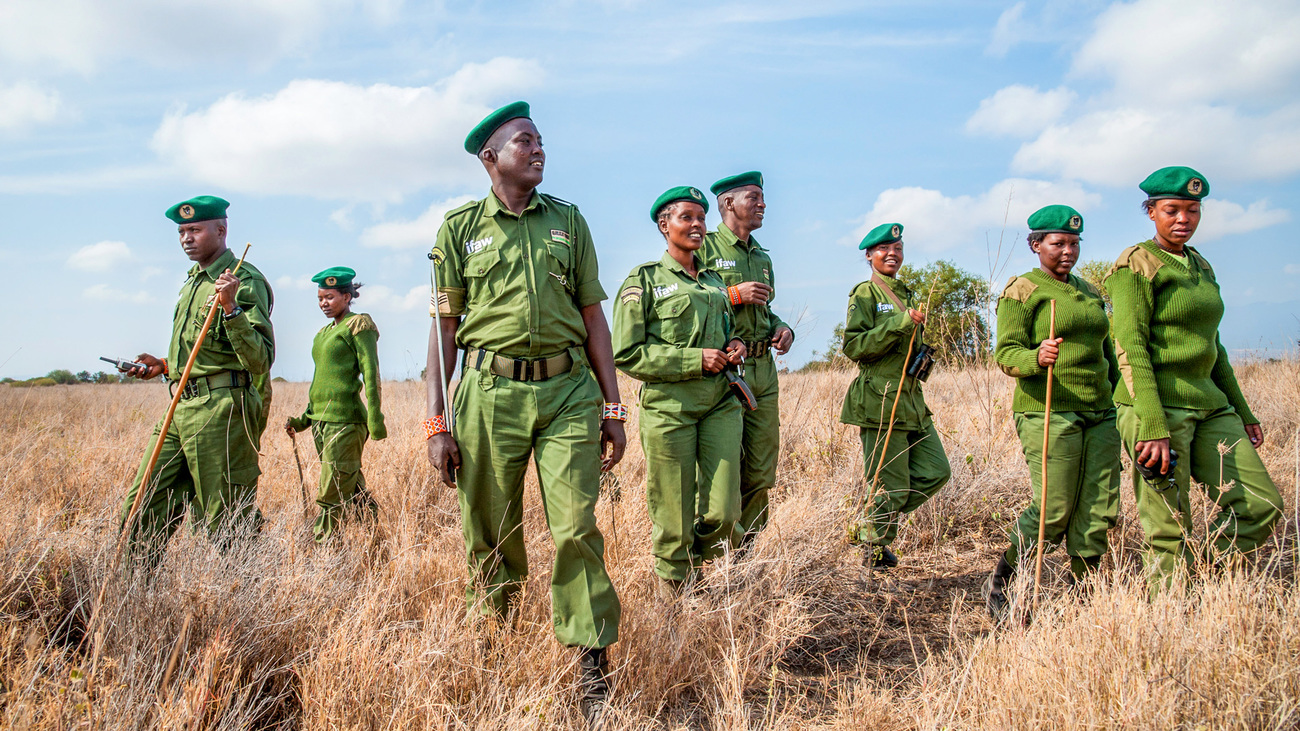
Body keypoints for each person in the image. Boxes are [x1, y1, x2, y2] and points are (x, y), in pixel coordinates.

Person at [423, 101, 627, 727]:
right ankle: (492, 641)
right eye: (524, 142)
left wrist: (613, 404)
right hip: (489, 392)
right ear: (490, 158)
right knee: (490, 528)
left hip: (569, 391)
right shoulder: (459, 229)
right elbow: (442, 330)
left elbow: (594, 315)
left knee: (575, 528)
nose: (538, 149)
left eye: (540, 140)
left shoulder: (570, 222)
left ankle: (591, 668)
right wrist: (437, 423)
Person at [1106, 166, 1282, 593]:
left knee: (1262, 505)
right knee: (1169, 526)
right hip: (1157, 409)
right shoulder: (1136, 264)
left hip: (1211, 404)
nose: (1183, 219)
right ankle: (1166, 614)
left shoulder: (1201, 264)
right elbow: (1131, 347)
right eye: (1172, 210)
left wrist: (1242, 411)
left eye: (1192, 210)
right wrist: (1152, 424)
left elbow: (1214, 347)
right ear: (1151, 212)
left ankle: (1204, 577)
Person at [983, 205, 1121, 620]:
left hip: (1099, 410)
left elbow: (1106, 352)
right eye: (1057, 243)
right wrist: (1035, 356)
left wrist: (1119, 398)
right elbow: (1005, 354)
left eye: (1074, 243)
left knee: (1098, 506)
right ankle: (1004, 587)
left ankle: (1084, 597)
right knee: (1053, 508)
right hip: (1048, 410)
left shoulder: (1089, 291)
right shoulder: (1023, 291)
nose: (1067, 251)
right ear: (1035, 245)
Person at [120, 195, 275, 556]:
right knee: (143, 504)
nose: (186, 238)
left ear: (220, 230)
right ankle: (135, 597)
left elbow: (259, 359)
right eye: (181, 231)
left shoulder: (242, 279)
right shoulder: (193, 281)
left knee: (225, 518)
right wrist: (162, 364)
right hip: (179, 405)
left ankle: (243, 598)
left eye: (195, 229)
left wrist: (231, 307)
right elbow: (203, 351)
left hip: (221, 408)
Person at [613, 186, 748, 590]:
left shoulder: (713, 282)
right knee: (672, 510)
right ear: (664, 224)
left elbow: (728, 331)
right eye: (686, 217)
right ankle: (677, 590)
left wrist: (734, 345)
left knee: (724, 510)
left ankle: (697, 557)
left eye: (702, 218)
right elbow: (628, 353)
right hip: (669, 409)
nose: (697, 225)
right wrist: (694, 359)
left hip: (720, 403)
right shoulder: (644, 281)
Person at [839, 222, 951, 569]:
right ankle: (872, 551)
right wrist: (899, 323)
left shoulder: (906, 292)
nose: (893, 254)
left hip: (911, 400)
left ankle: (868, 526)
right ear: (869, 255)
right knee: (890, 483)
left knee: (936, 471)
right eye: (885, 249)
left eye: (898, 248)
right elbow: (854, 346)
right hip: (880, 399)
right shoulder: (865, 294)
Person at [701, 171, 794, 545]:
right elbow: (691, 300)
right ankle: (721, 547)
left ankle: (749, 553)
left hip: (763, 371)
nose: (762, 204)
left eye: (762, 197)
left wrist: (783, 327)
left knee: (759, 468)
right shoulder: (704, 248)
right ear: (728, 203)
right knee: (724, 467)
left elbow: (766, 310)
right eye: (753, 197)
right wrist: (732, 296)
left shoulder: (762, 256)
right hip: (726, 372)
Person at [285, 267, 386, 542]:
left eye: (329, 297)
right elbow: (322, 383)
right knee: (349, 486)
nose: (323, 303)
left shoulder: (358, 325)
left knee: (331, 489)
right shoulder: (323, 333)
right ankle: (376, 539)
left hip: (345, 422)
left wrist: (375, 417)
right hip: (321, 422)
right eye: (319, 298)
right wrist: (303, 420)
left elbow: (371, 372)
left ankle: (324, 549)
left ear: (347, 296)